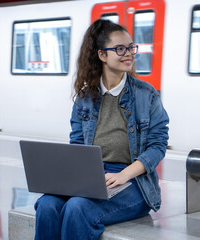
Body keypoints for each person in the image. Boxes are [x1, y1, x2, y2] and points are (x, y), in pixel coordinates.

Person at [34, 19, 169, 240]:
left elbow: (158, 146)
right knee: (48, 205)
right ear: (102, 55)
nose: (129, 54)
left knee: (78, 208)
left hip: (133, 182)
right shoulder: (85, 98)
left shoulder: (147, 95)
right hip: (90, 176)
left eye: (131, 47)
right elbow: (77, 146)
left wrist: (123, 174)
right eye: (120, 49)